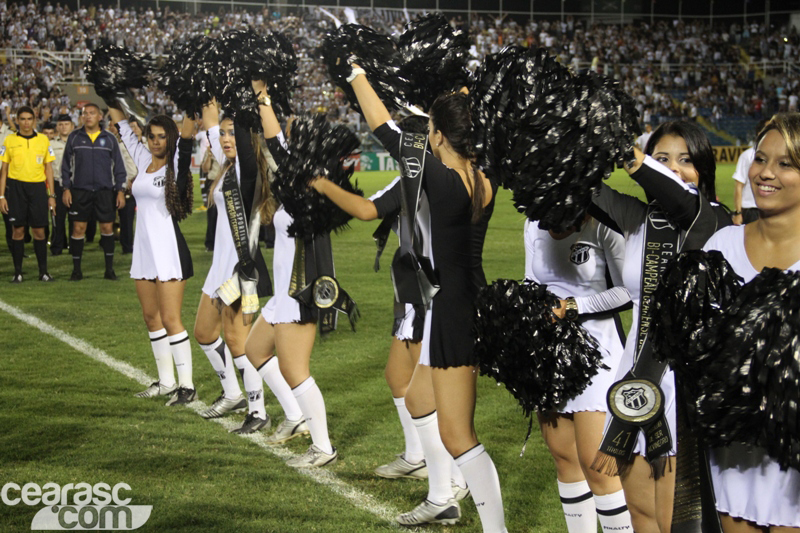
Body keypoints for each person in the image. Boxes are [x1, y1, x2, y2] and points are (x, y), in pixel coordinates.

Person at [317, 64, 506, 530]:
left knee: (459, 435)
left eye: (431, 130)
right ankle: (442, 498)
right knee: (420, 400)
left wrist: (356, 73)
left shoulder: (442, 180)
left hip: (453, 308)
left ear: (438, 135)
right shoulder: (483, 178)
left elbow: (383, 127)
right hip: (460, 298)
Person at [590, 121, 730, 533]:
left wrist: (631, 154)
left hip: (684, 386)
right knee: (642, 516)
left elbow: (678, 196)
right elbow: (580, 189)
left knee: (679, 522)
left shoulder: (713, 219)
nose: (673, 169)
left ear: (703, 169)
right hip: (636, 375)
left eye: (685, 160)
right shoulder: (638, 218)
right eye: (662, 159)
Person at [702, 113, 800, 533]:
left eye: (785, 164)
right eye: (761, 159)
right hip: (737, 449)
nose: (765, 173)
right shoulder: (721, 245)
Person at [525, 214, 634, 533]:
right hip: (550, 351)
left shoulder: (602, 224)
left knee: (599, 467)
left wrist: (572, 307)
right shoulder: (533, 224)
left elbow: (627, 291)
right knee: (565, 459)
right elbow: (530, 280)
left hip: (599, 351)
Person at [106, 105, 197, 406]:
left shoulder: (176, 164)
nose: (156, 142)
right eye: (152, 136)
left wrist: (191, 104)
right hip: (144, 251)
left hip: (169, 250)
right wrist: (109, 92)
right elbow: (122, 128)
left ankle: (187, 386)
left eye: (161, 137)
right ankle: (166, 381)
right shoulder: (144, 159)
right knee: (151, 317)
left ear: (170, 138)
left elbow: (187, 138)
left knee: (171, 318)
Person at [193, 99, 274, 434]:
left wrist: (243, 96)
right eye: (222, 134)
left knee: (239, 343)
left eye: (231, 134)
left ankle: (258, 411)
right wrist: (206, 89)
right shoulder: (228, 166)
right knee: (204, 333)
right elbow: (210, 121)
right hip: (219, 268)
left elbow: (231, 131)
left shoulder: (246, 170)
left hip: (241, 270)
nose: (225, 139)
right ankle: (232, 395)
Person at [61, 103, 127, 281]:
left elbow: (119, 167)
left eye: (92, 113)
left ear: (99, 117)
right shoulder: (74, 137)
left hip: (104, 191)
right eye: (85, 113)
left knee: (107, 228)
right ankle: (76, 270)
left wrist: (120, 191)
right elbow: (65, 166)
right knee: (78, 228)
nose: (88, 116)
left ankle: (109, 270)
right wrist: (66, 188)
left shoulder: (110, 139)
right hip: (80, 191)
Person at [0, 106, 56, 282]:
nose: (26, 123)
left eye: (29, 119)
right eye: (22, 119)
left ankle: (43, 272)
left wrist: (51, 196)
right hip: (16, 188)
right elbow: (4, 170)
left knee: (39, 231)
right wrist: (1, 196)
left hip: (38, 188)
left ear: (34, 120)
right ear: (17, 120)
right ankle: (17, 273)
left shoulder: (43, 140)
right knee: (18, 230)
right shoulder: (9, 140)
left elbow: (49, 169)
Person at [107, 120, 138, 255]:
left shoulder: (126, 144)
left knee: (126, 218)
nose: (111, 128)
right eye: (110, 126)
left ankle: (127, 246)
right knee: (110, 217)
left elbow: (131, 167)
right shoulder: (110, 141)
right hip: (112, 184)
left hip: (126, 185)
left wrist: (128, 180)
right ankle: (110, 243)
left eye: (113, 126)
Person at [732, 118, 769, 226]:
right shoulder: (748, 156)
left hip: (770, 208)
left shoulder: (778, 156)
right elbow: (739, 186)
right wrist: (738, 212)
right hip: (751, 209)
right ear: (760, 133)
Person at [49, 113, 74, 256]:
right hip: (57, 183)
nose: (64, 127)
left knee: (74, 217)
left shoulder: (77, 142)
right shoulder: (51, 144)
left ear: (72, 126)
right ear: (57, 127)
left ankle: (74, 247)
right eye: (61, 124)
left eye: (66, 124)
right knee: (58, 217)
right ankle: (57, 247)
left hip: (74, 184)